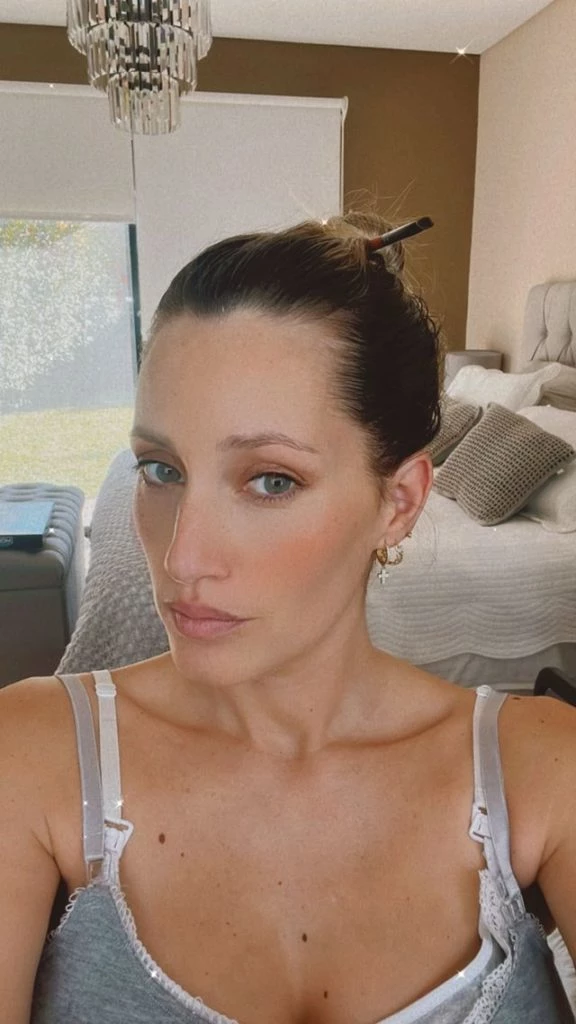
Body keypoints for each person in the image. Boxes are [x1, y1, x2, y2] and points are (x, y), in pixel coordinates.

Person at [1, 212, 575, 1024]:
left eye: (270, 481)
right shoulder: (35, 756)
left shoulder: (542, 771)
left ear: (399, 502)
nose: (182, 557)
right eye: (161, 469)